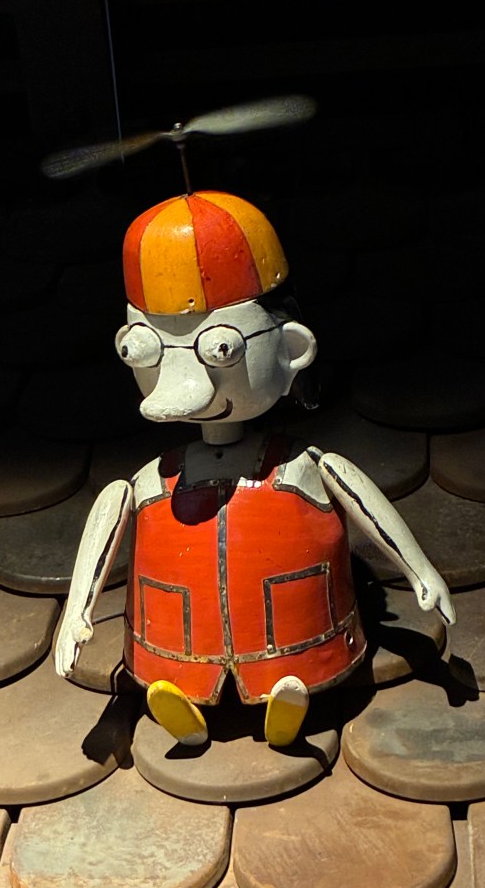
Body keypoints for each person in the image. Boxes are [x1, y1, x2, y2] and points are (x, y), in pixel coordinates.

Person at [54, 191, 455, 747]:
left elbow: (364, 502)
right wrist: (76, 611)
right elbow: (109, 515)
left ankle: (284, 701)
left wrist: (421, 572)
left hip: (293, 623)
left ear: (292, 348)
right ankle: (181, 705)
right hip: (178, 625)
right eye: (143, 349)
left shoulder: (303, 467)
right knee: (179, 650)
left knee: (286, 647)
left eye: (221, 348)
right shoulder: (152, 479)